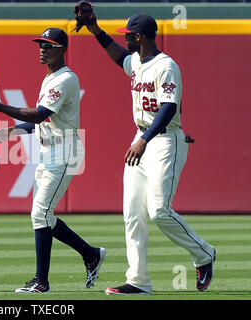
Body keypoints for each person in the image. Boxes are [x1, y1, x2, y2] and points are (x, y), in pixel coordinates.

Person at [83, 13, 216, 294]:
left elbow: (169, 108)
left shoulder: (166, 66)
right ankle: (138, 281)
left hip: (164, 140)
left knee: (159, 210)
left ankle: (204, 253)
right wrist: (95, 29)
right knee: (133, 213)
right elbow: (117, 55)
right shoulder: (136, 62)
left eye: (128, 34)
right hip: (143, 137)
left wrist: (144, 139)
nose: (124, 37)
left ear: (139, 37)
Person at [0, 28, 106, 293]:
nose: (42, 48)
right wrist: (14, 130)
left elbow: (39, 114)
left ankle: (41, 282)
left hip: (64, 151)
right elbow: (44, 121)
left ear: (62, 49)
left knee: (40, 213)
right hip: (49, 150)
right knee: (45, 216)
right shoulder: (50, 77)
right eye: (40, 44)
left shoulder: (64, 79)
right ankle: (90, 254)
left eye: (48, 45)